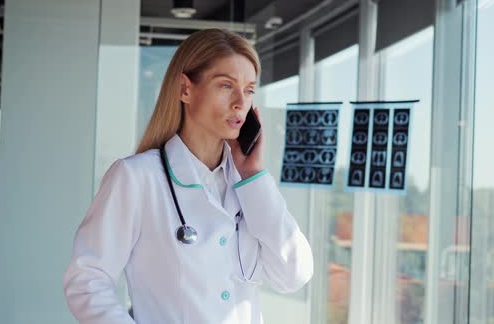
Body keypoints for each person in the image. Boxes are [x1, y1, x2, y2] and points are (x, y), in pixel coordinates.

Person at [63, 28, 314, 324]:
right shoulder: (136, 178)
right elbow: (87, 281)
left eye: (248, 90)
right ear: (185, 89)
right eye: (225, 85)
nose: (239, 103)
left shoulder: (249, 186)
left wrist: (254, 176)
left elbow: (294, 274)